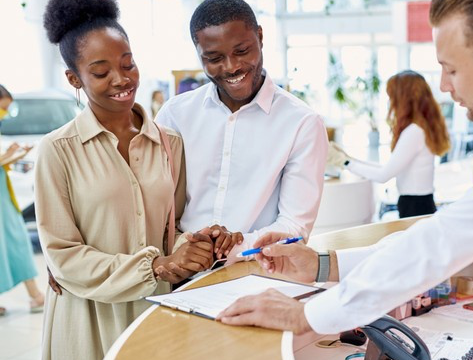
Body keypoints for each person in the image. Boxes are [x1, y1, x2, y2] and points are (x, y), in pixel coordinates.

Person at [216, 1, 473, 360]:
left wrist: (305, 315)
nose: (445, 87)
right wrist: (324, 265)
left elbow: (450, 237)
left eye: (450, 69)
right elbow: (461, 240)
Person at [37, 0, 240, 358]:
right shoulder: (58, 150)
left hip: (155, 310)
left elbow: (169, 230)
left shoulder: (168, 143)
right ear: (74, 78)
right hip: (88, 317)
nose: (121, 79)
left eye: (128, 64)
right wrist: (154, 266)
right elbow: (62, 256)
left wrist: (197, 244)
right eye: (101, 73)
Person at [155, 0, 328, 259]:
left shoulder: (301, 122)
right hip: (180, 274)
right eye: (214, 58)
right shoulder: (175, 114)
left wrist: (227, 246)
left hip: (256, 275)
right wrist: (183, 247)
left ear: (259, 36)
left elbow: (295, 226)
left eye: (242, 50)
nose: (231, 66)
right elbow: (157, 205)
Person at [328, 70, 450, 218]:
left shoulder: (414, 132)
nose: (390, 102)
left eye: (392, 96)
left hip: (414, 206)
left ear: (404, 99)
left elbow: (383, 175)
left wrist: (344, 162)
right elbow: (390, 167)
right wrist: (349, 159)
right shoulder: (420, 128)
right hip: (420, 203)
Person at [0, 84, 45, 316]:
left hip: (4, 195)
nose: (4, 114)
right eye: (3, 108)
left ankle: (35, 294)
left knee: (14, 241)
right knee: (13, 241)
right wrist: (10, 155)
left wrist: (16, 154)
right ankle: (35, 294)